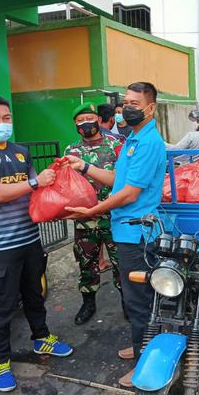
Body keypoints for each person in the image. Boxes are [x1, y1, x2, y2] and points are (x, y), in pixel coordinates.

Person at [0, 95, 73, 393]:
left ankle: (42, 338)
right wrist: (37, 183)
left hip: (30, 239)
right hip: (0, 247)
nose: (2, 124)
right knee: (1, 307)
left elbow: (38, 194)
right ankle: (1, 362)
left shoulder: (21, 153)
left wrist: (61, 198)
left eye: (6, 118)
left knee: (34, 295)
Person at [63, 82, 166, 388]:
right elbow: (117, 180)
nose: (128, 107)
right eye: (126, 101)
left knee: (139, 301)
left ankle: (144, 365)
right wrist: (84, 167)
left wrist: (92, 211)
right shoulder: (133, 139)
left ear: (151, 107)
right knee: (139, 298)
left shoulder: (148, 142)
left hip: (138, 233)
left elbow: (130, 194)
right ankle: (141, 346)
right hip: (126, 229)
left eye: (136, 102)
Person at [64, 102, 123, 325]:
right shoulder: (72, 151)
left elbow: (124, 178)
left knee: (120, 262)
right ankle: (88, 303)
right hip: (85, 219)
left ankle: (128, 302)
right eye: (80, 121)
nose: (85, 123)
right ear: (75, 125)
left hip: (114, 214)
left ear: (98, 120)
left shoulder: (117, 144)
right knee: (86, 263)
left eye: (89, 118)